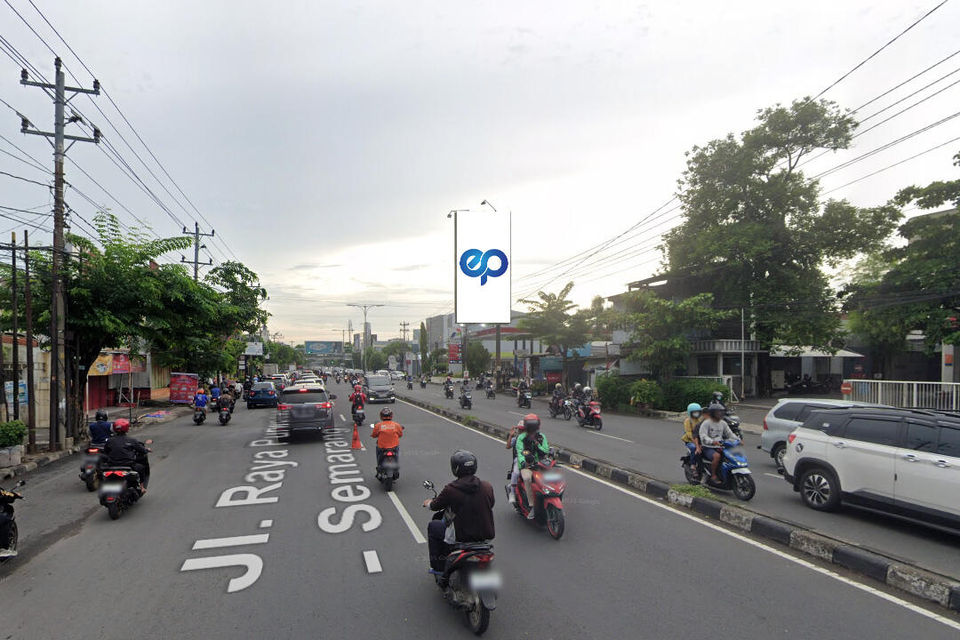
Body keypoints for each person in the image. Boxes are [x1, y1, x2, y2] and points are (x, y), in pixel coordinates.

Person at [422, 450, 495, 574]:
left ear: (455, 469)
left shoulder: (451, 489)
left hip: (461, 538)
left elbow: (435, 506)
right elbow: (490, 504)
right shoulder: (487, 486)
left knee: (434, 526)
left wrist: (428, 503)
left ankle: (438, 567)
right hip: (485, 536)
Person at [514, 413, 549, 519]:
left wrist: (537, 444)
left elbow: (546, 450)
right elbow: (520, 452)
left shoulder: (541, 437)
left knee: (554, 479)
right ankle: (532, 505)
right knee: (527, 478)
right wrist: (523, 462)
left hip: (542, 465)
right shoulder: (521, 438)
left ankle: (556, 502)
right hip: (528, 466)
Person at [101, 419, 150, 493]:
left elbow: (106, 451)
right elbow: (142, 450)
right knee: (142, 468)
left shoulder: (110, 440)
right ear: (126, 428)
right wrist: (146, 450)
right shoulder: (131, 440)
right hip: (128, 464)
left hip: (112, 464)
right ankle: (142, 487)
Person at [699, 403, 736, 484]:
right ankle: (713, 475)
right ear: (713, 413)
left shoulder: (723, 423)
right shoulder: (706, 423)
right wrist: (712, 442)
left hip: (720, 446)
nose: (720, 414)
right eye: (718, 412)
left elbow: (730, 434)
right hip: (708, 447)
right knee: (717, 456)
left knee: (731, 456)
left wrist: (738, 440)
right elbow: (703, 436)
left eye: (721, 412)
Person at [370, 407, 403, 475]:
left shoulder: (378, 425)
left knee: (379, 455)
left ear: (381, 416)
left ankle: (379, 466)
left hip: (382, 447)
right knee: (396, 454)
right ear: (391, 415)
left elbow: (374, 435)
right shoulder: (396, 425)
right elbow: (400, 435)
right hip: (394, 446)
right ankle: (396, 466)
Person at [505, 418, 525, 503]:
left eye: (523, 430)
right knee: (516, 473)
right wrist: (510, 435)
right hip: (519, 460)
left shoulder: (531, 438)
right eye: (520, 430)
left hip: (530, 460)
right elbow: (508, 446)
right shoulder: (516, 439)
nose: (521, 431)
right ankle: (512, 493)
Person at [682, 403, 703, 478]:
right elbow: (689, 434)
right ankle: (693, 465)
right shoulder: (688, 421)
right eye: (694, 412)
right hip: (690, 440)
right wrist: (696, 443)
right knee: (694, 448)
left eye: (697, 412)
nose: (696, 414)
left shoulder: (701, 420)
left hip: (700, 440)